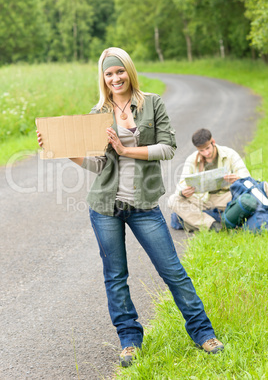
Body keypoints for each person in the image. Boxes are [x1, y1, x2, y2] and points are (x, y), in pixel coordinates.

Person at [37, 48, 224, 367]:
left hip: (144, 204)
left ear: (129, 71)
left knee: (173, 272)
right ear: (103, 78)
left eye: (119, 71)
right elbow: (98, 164)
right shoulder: (98, 112)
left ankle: (203, 333)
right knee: (115, 275)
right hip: (105, 206)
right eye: (109, 74)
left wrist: (126, 149)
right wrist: (63, 149)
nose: (115, 78)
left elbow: (167, 147)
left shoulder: (152, 103)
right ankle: (129, 340)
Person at [168, 128, 250, 232]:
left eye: (207, 148)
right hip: (202, 199)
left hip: (226, 197)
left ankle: (195, 221)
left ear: (213, 142)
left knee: (248, 198)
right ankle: (213, 225)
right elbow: (181, 186)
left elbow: (246, 177)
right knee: (173, 200)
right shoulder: (191, 159)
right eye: (201, 150)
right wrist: (183, 193)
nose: (206, 153)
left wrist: (237, 178)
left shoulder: (229, 154)